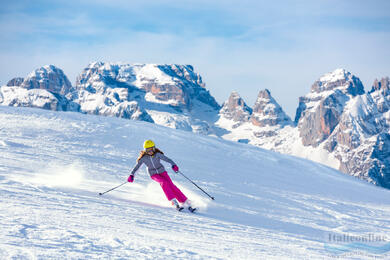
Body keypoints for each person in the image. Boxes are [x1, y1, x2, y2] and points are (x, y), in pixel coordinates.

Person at [128, 140, 195, 212]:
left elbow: (168, 159)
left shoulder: (157, 154)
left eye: (152, 149)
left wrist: (173, 165)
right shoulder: (144, 158)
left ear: (154, 148)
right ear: (145, 150)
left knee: (172, 186)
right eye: (148, 150)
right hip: (153, 174)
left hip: (162, 172)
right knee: (163, 182)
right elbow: (137, 167)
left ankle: (184, 201)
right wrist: (132, 175)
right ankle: (173, 201)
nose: (150, 151)